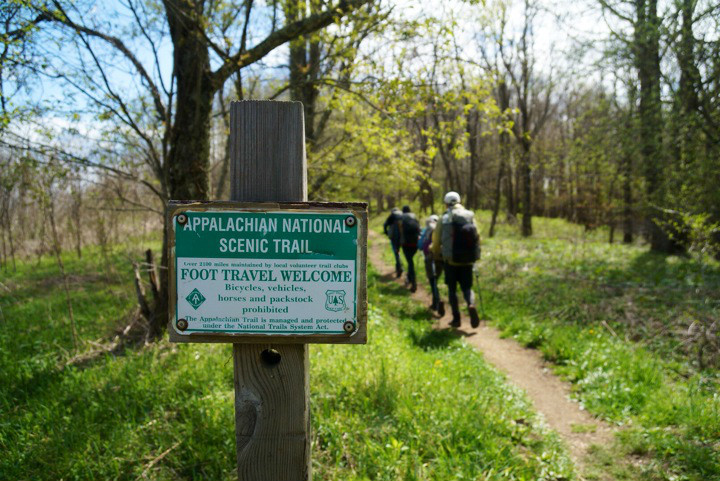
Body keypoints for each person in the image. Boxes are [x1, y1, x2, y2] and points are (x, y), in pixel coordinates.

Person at [432, 191, 481, 328]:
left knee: (452, 289)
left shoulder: (444, 218)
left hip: (450, 261)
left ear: (446, 203)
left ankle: (456, 319)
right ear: (459, 201)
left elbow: (436, 240)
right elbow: (477, 236)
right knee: (467, 287)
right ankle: (471, 304)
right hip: (468, 260)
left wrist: (436, 254)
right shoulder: (469, 216)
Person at [419, 214, 445, 315]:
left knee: (432, 280)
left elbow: (420, 245)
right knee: (436, 279)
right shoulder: (442, 229)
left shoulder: (427, 230)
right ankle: (435, 302)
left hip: (430, 258)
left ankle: (437, 302)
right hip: (441, 258)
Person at [399, 206, 421, 292]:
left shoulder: (401, 219)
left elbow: (399, 233)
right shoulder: (415, 218)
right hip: (415, 244)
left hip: (406, 244)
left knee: (410, 263)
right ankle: (409, 278)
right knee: (410, 261)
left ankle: (414, 283)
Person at [383, 207, 404, 277]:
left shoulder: (392, 216)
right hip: (403, 237)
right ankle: (399, 267)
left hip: (394, 237)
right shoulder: (402, 215)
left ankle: (399, 267)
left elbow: (385, 225)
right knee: (400, 252)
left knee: (396, 252)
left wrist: (386, 232)